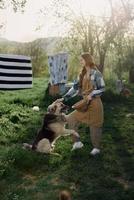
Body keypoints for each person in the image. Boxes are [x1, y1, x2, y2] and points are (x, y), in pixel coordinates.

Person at [63, 52, 105, 156]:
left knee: (95, 126)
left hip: (95, 104)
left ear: (87, 60)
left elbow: (102, 88)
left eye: (81, 59)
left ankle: (96, 148)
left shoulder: (96, 73)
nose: (80, 61)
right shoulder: (82, 74)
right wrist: (65, 97)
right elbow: (75, 87)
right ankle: (77, 142)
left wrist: (92, 94)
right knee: (71, 119)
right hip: (84, 104)